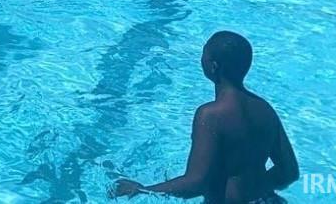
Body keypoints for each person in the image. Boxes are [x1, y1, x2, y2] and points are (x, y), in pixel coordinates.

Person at [113, 31, 299, 201]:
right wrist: (250, 189)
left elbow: (196, 182)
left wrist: (142, 190)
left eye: (204, 54)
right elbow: (289, 171)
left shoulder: (211, 115)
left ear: (213, 66)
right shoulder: (264, 109)